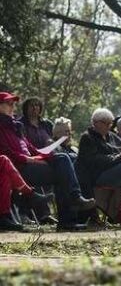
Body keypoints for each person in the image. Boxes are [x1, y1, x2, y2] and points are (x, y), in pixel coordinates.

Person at [0, 91, 96, 231]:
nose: (12, 106)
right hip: (18, 167)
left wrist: (46, 155)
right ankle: (73, 203)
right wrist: (29, 159)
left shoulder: (15, 126)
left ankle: (69, 216)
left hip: (31, 163)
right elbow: (4, 151)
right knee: (62, 167)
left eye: (13, 103)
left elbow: (30, 148)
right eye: (8, 104)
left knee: (63, 158)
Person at [0, 154, 53, 231]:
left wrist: (48, 156)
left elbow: (34, 151)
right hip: (20, 163)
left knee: (5, 177)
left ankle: (3, 218)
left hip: (28, 161)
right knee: (3, 160)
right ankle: (30, 194)